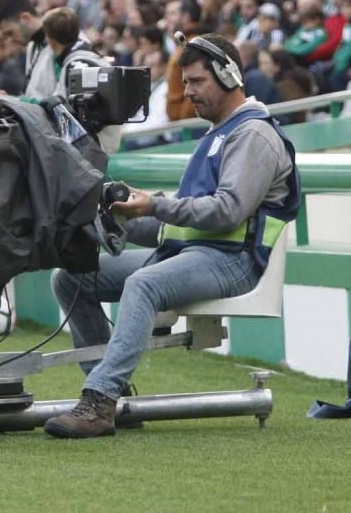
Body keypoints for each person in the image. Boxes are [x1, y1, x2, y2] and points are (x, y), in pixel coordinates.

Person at [44, 33, 300, 439]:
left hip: (233, 262)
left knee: (143, 284)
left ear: (228, 75)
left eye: (197, 81)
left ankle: (99, 402)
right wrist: (123, 214)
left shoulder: (252, 135)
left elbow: (226, 211)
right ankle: (115, 391)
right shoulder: (221, 133)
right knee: (71, 277)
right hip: (198, 253)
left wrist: (153, 205)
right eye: (186, 82)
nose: (187, 92)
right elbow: (180, 225)